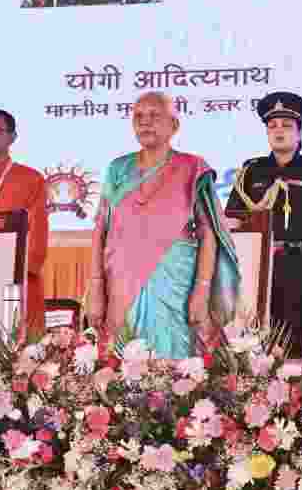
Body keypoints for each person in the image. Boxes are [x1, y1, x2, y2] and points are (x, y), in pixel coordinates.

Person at [86, 92, 239, 357]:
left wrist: (201, 290)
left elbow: (209, 234)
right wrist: (97, 289)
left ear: (174, 126)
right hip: (121, 287)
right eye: (138, 117)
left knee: (174, 375)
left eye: (155, 116)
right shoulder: (117, 169)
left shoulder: (193, 168)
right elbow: (101, 230)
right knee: (121, 373)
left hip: (174, 285)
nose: (145, 123)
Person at [225, 92, 302, 358]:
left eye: (287, 126)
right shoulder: (250, 172)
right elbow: (231, 222)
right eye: (272, 126)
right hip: (260, 271)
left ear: (300, 133)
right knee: (258, 349)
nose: (279, 131)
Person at [0, 108, 50, 341]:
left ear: (12, 137)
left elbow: (37, 238)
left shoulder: (30, 179)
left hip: (16, 283)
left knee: (18, 362)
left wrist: (19, 269)